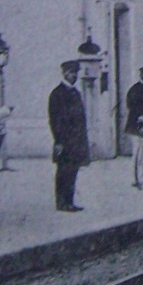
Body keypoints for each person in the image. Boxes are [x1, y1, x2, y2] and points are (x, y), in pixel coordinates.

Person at [48, 60, 89, 212]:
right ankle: (61, 202)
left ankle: (69, 201)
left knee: (73, 172)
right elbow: (55, 120)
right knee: (63, 172)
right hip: (64, 141)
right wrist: (58, 141)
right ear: (64, 73)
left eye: (76, 73)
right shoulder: (57, 94)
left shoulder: (75, 92)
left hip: (76, 141)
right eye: (72, 73)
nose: (74, 76)